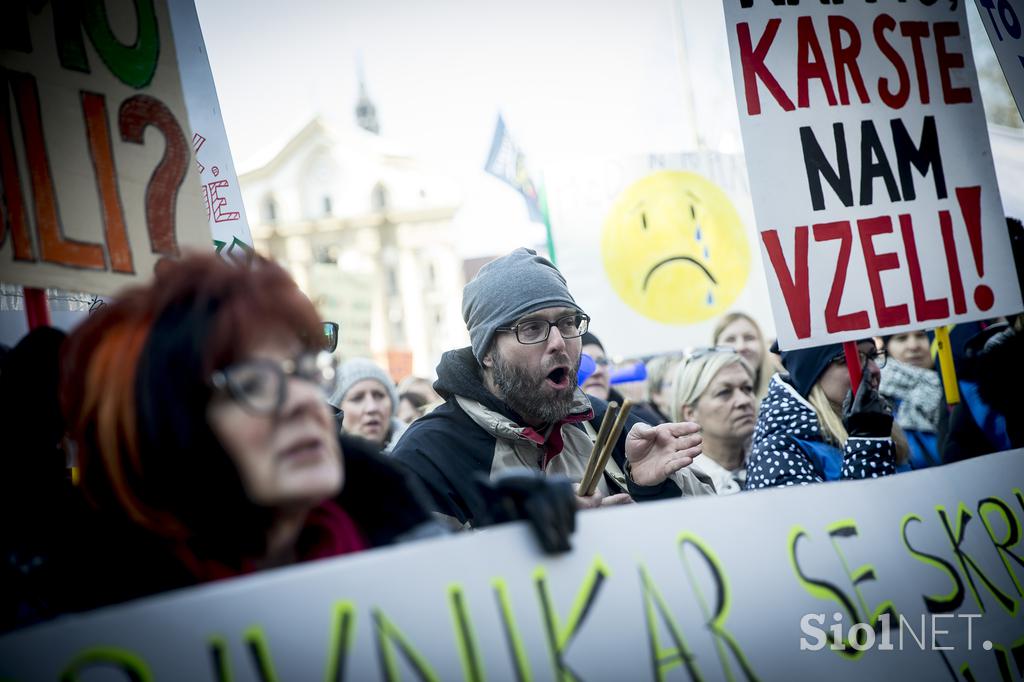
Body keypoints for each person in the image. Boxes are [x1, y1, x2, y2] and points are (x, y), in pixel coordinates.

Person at [54, 254, 442, 614]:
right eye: (253, 384)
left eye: (306, 371)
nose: (304, 401)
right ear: (174, 427)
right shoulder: (97, 621)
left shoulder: (419, 549)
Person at [392, 248, 712, 529]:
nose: (559, 342)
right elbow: (420, 583)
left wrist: (651, 487)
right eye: (532, 328)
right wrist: (531, 536)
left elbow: (715, 525)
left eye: (568, 322)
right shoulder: (429, 455)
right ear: (487, 352)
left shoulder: (604, 423)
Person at [745, 340, 901, 488]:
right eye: (849, 359)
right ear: (813, 376)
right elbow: (850, 513)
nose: (874, 370)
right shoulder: (775, 455)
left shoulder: (887, 422)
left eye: (873, 356)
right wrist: (867, 443)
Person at [669, 349, 756, 494]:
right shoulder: (678, 482)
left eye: (747, 388)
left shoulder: (774, 457)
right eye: (724, 392)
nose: (744, 400)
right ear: (690, 413)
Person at [877, 331, 943, 469]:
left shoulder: (962, 388)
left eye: (921, 336)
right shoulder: (876, 400)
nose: (913, 346)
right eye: (901, 338)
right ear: (887, 347)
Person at [580, 331, 664, 425]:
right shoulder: (567, 429)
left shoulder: (640, 420)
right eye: (584, 363)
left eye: (602, 361)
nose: (597, 371)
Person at [329, 358, 407, 452]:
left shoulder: (415, 450)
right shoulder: (320, 460)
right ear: (338, 409)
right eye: (357, 398)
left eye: (379, 395)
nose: (372, 408)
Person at [712, 312, 776, 402]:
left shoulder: (785, 388)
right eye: (730, 339)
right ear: (715, 347)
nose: (740, 347)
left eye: (749, 338)